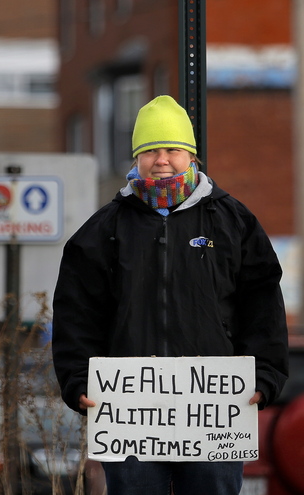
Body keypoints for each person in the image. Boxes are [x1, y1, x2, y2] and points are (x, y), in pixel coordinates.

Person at [52, 95, 288, 495]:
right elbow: (77, 313)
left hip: (215, 412)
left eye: (172, 149)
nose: (161, 160)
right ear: (137, 159)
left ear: (191, 156)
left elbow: (262, 304)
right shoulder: (103, 229)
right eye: (150, 151)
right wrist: (77, 381)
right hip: (128, 413)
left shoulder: (234, 221)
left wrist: (265, 376)